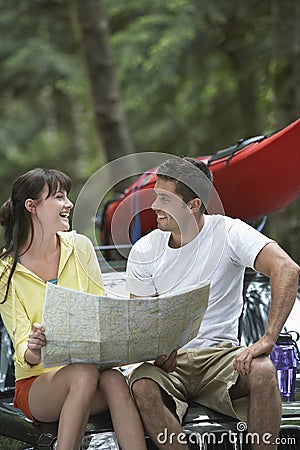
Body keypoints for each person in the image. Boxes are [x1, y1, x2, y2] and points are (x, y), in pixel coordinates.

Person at [126, 157, 300, 450]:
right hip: (170, 365)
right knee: (142, 385)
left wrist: (268, 339)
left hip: (222, 359)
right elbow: (142, 323)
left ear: (193, 205)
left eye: (164, 199)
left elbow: (287, 268)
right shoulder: (144, 250)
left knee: (263, 370)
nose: (154, 206)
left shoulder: (229, 232)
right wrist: (156, 352)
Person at [0, 168, 147, 450]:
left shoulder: (80, 247)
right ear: (32, 207)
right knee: (83, 373)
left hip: (89, 370)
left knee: (115, 381)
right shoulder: (5, 271)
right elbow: (22, 351)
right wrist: (33, 347)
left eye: (67, 196)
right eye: (58, 197)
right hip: (37, 385)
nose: (69, 204)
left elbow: (99, 310)